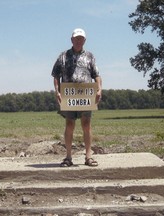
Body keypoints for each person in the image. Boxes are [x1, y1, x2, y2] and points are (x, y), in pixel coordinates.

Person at [51, 28, 102, 167]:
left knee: (86, 124)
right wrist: (57, 91)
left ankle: (88, 157)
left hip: (86, 95)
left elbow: (96, 75)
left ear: (84, 40)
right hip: (69, 95)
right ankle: (68, 157)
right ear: (71, 40)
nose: (78, 41)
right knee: (70, 124)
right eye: (76, 38)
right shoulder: (63, 56)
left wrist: (99, 90)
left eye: (81, 39)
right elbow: (56, 75)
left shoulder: (90, 56)